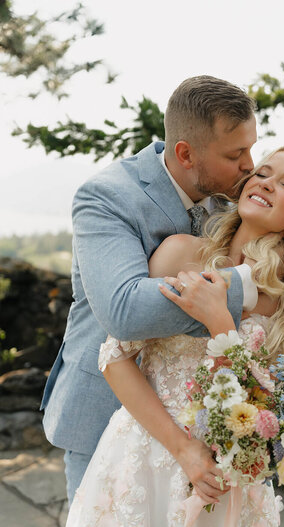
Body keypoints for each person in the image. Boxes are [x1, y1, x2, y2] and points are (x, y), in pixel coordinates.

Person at [36, 147, 284, 527]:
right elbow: (115, 359)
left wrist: (220, 325)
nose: (266, 182)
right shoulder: (180, 254)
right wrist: (184, 450)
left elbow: (257, 406)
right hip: (145, 457)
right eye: (263, 172)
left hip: (223, 478)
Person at [40, 75, 259, 504]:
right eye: (236, 154)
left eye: (251, 148)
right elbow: (124, 311)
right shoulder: (107, 196)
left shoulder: (233, 200)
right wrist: (250, 285)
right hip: (105, 414)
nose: (250, 165)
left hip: (193, 421)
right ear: (185, 153)